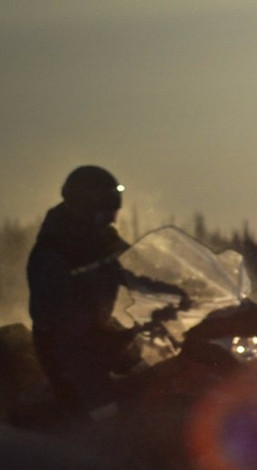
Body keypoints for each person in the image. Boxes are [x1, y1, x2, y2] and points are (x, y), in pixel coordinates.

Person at [26, 166, 186, 421]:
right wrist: (99, 334)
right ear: (86, 208)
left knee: (155, 375)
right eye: (105, 213)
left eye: (113, 211)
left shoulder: (103, 239)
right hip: (66, 347)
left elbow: (134, 271)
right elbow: (53, 311)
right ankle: (107, 448)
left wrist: (178, 289)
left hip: (99, 334)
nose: (112, 218)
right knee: (105, 406)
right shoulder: (53, 251)